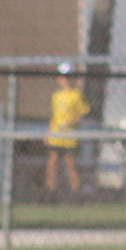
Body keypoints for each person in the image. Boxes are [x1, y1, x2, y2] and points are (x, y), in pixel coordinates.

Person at [44, 62, 89, 200]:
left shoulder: (76, 95)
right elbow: (54, 117)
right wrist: (49, 132)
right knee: (53, 162)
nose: (66, 80)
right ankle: (51, 192)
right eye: (63, 76)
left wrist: (70, 122)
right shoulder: (56, 96)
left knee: (71, 164)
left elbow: (82, 113)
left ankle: (76, 193)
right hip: (57, 135)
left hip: (70, 136)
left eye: (69, 76)